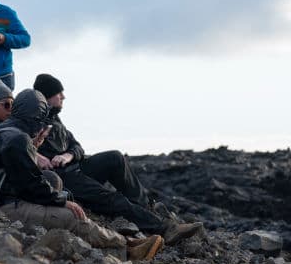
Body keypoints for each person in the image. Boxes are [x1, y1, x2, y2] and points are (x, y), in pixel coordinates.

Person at [0, 89, 164, 261]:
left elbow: (21, 174)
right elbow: (31, 185)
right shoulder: (18, 140)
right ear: (37, 116)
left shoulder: (4, 130)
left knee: (54, 181)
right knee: (71, 216)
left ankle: (116, 242)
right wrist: (61, 201)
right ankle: (128, 247)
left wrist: (35, 147)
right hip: (5, 205)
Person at [32, 74, 204, 246]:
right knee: (111, 198)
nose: (63, 97)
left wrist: (67, 155)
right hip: (64, 178)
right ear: (47, 95)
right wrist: (38, 156)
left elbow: (77, 146)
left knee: (115, 157)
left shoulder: (56, 119)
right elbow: (13, 142)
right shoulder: (32, 119)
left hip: (76, 166)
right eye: (58, 93)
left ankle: (145, 209)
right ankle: (164, 229)